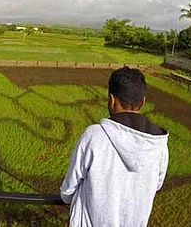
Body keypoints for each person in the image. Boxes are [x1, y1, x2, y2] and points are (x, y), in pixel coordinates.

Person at [60, 67, 169, 227]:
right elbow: (156, 185)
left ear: (111, 99)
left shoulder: (94, 136)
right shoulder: (159, 145)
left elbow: (68, 189)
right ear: (143, 102)